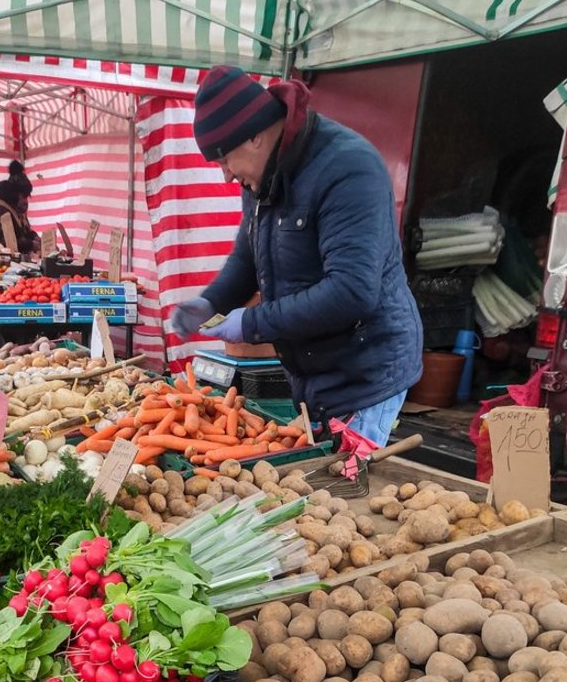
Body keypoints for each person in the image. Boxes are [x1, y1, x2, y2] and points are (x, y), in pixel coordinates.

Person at [172, 65, 423, 446]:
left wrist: (251, 323)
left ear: (254, 136)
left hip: (364, 374)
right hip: (314, 373)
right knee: (318, 468)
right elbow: (247, 257)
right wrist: (211, 302)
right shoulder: (262, 176)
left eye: (224, 161)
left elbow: (352, 291)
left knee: (344, 479)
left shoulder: (348, 169)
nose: (226, 176)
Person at [0, 160, 41, 257]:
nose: (25, 202)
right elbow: (3, 242)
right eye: (23, 196)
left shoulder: (13, 210)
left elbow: (22, 233)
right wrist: (31, 245)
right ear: (14, 194)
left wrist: (34, 237)